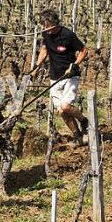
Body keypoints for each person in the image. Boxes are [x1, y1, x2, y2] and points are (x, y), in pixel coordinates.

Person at [31, 9, 89, 144]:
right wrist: (36, 67)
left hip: (70, 76)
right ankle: (77, 135)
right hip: (55, 77)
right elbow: (44, 50)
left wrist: (75, 65)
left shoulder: (68, 35)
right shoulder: (45, 34)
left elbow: (84, 50)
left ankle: (84, 121)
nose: (46, 29)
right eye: (44, 26)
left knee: (66, 106)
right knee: (62, 112)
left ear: (55, 23)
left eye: (48, 25)